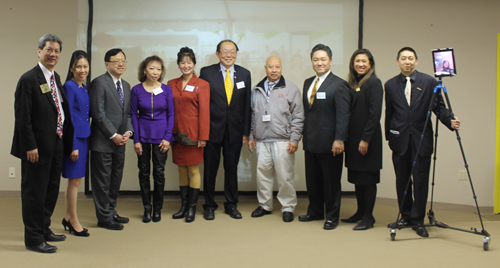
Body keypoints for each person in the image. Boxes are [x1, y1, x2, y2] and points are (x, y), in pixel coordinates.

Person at [385, 47, 461, 237]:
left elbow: (439, 108)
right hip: (399, 140)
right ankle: (406, 215)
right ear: (398, 62)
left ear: (417, 61)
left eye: (411, 58)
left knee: (420, 181)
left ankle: (418, 220)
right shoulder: (390, 84)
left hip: (421, 139)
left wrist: (450, 121)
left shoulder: (429, 82)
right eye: (403, 58)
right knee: (402, 180)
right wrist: (389, 136)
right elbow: (390, 113)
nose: (407, 61)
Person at [11, 34, 74, 253]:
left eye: (56, 51)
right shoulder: (28, 79)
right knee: (34, 193)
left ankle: (44, 228)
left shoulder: (55, 78)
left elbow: (59, 110)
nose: (53, 54)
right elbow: (23, 117)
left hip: (55, 144)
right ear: (39, 51)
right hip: (36, 148)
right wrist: (30, 145)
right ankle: (33, 238)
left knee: (50, 190)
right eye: (49, 50)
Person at [298, 44, 351, 230]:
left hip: (331, 143)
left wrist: (339, 139)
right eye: (315, 60)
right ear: (312, 62)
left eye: (323, 59)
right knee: (312, 180)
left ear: (330, 61)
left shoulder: (339, 84)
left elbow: (344, 115)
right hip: (311, 141)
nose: (319, 63)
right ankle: (315, 211)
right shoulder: (307, 83)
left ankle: (332, 216)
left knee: (331, 182)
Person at [247, 56, 304, 223]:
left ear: (281, 68)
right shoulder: (256, 89)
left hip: (283, 140)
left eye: (277, 67)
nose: (274, 70)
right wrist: (251, 136)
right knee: (262, 175)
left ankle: (288, 207)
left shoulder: (290, 88)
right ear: (265, 68)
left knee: (285, 176)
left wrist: (295, 138)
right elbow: (252, 115)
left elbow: (298, 116)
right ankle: (265, 205)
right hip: (262, 140)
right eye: (270, 67)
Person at [199, 40, 251, 220]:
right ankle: (209, 205)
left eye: (233, 51)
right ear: (217, 54)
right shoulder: (206, 73)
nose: (229, 55)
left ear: (236, 54)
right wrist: (202, 131)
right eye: (225, 51)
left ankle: (231, 204)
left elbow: (246, 106)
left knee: (231, 169)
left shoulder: (245, 74)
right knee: (210, 170)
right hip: (212, 129)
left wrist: (246, 131)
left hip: (235, 131)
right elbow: (202, 104)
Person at [89, 48, 133, 230]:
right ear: (107, 64)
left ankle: (111, 211)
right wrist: (113, 135)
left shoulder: (127, 86)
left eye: (123, 60)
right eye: (116, 61)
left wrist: (128, 132)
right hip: (103, 141)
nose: (121, 64)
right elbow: (98, 113)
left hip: (120, 142)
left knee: (115, 179)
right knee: (102, 181)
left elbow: (129, 114)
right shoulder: (99, 83)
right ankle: (104, 217)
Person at [342, 49, 383, 231]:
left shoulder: (374, 83)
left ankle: (369, 216)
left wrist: (365, 139)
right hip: (354, 139)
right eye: (357, 61)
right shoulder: (353, 83)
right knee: (358, 177)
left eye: (364, 61)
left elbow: (375, 114)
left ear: (370, 64)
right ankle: (360, 212)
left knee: (368, 178)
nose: (360, 64)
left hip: (368, 139)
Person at [167, 47, 210, 223]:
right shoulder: (171, 84)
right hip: (176, 134)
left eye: (189, 62)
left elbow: (205, 112)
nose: (186, 65)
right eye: (183, 62)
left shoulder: (202, 84)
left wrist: (203, 136)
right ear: (178, 64)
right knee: (180, 168)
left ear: (194, 64)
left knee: (193, 169)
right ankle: (183, 206)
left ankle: (192, 207)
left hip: (194, 134)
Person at [131, 56, 174, 223]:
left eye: (159, 69)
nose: (155, 72)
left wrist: (167, 137)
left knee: (159, 173)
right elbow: (134, 115)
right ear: (144, 70)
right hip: (142, 137)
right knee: (143, 173)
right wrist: (136, 140)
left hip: (161, 138)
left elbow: (171, 114)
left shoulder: (166, 89)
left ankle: (158, 209)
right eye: (151, 68)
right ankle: (146, 209)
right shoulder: (136, 90)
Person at [61, 50, 91, 237]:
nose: (82, 70)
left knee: (76, 180)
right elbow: (68, 118)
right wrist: (71, 145)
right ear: (72, 67)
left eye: (85, 66)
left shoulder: (83, 87)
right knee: (75, 181)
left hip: (83, 137)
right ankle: (73, 220)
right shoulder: (70, 86)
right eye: (78, 66)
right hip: (74, 140)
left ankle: (67, 217)